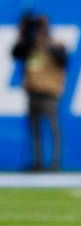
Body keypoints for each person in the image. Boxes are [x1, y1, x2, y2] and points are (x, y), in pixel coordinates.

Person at [11, 14, 68, 171]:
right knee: (34, 129)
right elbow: (16, 52)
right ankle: (37, 163)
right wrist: (24, 32)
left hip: (50, 93)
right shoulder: (31, 46)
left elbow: (63, 60)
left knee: (53, 129)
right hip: (33, 92)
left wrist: (47, 44)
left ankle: (55, 163)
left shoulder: (57, 44)